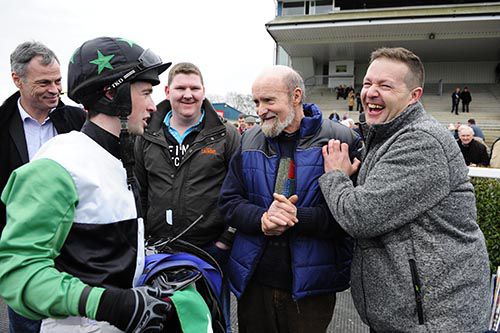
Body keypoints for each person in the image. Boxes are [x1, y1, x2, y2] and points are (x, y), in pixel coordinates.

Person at [0, 36, 174, 332]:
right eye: (145, 93)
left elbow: (99, 252)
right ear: (111, 94)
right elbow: (19, 273)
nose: (153, 107)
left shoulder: (120, 155)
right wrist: (109, 304)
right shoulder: (57, 165)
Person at [319, 47, 491, 332]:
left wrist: (336, 175)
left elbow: (361, 216)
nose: (371, 92)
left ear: (414, 96)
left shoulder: (421, 142)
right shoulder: (386, 134)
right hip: (407, 318)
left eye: (385, 85)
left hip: (434, 321)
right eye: (367, 83)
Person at [218, 65, 362, 333]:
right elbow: (228, 203)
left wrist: (297, 218)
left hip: (312, 289)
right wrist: (263, 219)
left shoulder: (342, 140)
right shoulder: (248, 139)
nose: (260, 110)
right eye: (257, 102)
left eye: (269, 100)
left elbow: (354, 215)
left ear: (296, 96)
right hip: (255, 283)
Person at [134, 62, 240, 332]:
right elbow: (140, 191)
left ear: (204, 92)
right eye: (180, 88)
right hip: (159, 252)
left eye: (195, 88)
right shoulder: (146, 134)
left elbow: (240, 191)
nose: (188, 94)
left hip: (209, 250)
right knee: (161, 323)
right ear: (168, 91)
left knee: (213, 322)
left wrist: (225, 241)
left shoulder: (226, 135)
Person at [0, 40, 87, 333]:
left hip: (73, 254)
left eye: (58, 81)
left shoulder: (78, 120)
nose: (54, 89)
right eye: (44, 82)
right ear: (17, 79)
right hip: (24, 254)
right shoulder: (1, 124)